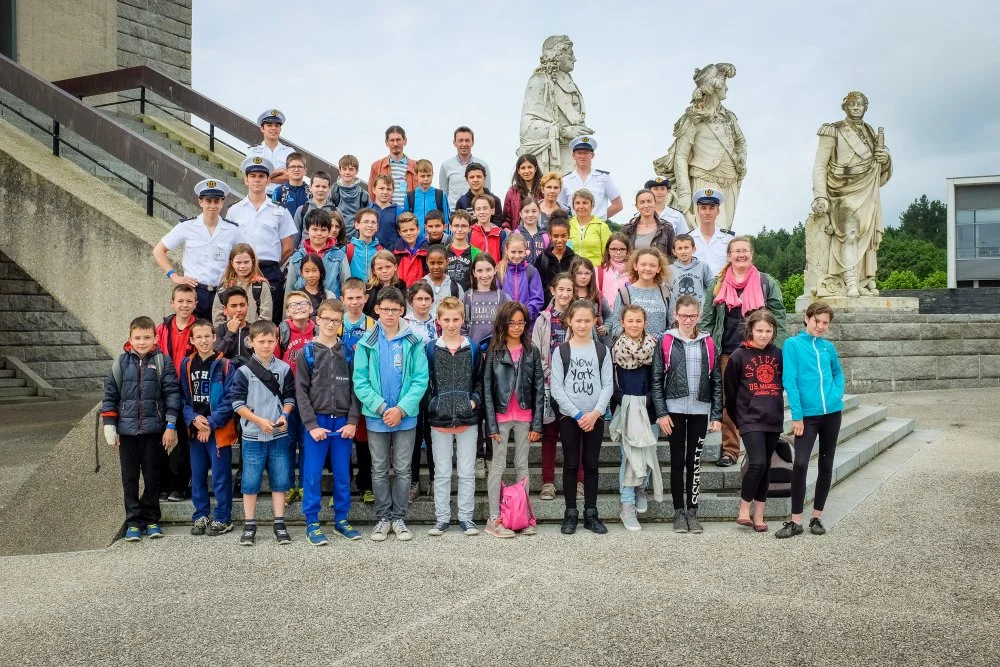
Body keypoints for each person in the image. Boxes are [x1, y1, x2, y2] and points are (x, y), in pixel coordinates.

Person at [699, 235, 787, 468]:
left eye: (745, 250)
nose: (741, 254)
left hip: (760, 353)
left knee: (761, 397)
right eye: (736, 251)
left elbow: (779, 315)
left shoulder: (766, 282)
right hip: (728, 351)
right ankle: (730, 450)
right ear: (728, 256)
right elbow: (707, 320)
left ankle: (759, 450)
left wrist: (777, 346)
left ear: (752, 254)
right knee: (730, 401)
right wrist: (707, 350)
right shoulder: (716, 284)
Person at [352, 286, 429, 542]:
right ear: (376, 310)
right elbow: (360, 382)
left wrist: (401, 409)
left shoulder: (413, 341)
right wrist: (384, 408)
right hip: (377, 417)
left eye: (394, 310)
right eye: (385, 309)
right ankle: (383, 517)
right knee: (379, 469)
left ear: (401, 311)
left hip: (406, 417)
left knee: (404, 469)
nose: (389, 314)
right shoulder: (366, 342)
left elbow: (420, 380)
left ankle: (400, 518)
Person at [101, 316, 180, 542]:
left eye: (147, 337)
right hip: (126, 433)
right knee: (129, 478)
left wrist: (171, 425)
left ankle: (152, 518)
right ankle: (133, 521)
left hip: (154, 431)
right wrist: (110, 426)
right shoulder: (120, 363)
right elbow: (110, 396)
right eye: (138, 338)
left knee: (153, 477)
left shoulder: (163, 362)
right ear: (130, 338)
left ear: (155, 338)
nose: (142, 342)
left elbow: (172, 396)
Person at [810, 91, 892, 297]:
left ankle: (863, 281)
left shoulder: (871, 132)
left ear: (865, 107)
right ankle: (850, 282)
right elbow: (820, 165)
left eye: (860, 104)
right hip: (841, 190)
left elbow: (880, 164)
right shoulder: (833, 130)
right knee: (850, 234)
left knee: (866, 236)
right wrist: (820, 195)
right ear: (845, 107)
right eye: (852, 104)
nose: (856, 107)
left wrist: (886, 158)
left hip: (867, 190)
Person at [652, 296, 723, 534]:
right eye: (684, 315)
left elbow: (716, 381)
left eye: (692, 316)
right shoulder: (666, 341)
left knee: (694, 462)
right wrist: (661, 413)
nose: (688, 320)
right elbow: (656, 379)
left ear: (699, 315)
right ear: (676, 315)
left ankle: (693, 511)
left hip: (700, 410)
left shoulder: (708, 342)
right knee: (676, 460)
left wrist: (716, 414)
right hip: (673, 410)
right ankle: (678, 512)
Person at [776, 301, 844, 539]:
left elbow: (838, 371)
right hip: (807, 416)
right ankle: (795, 520)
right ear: (807, 318)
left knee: (826, 464)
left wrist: (837, 392)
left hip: (832, 414)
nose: (821, 326)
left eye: (825, 323)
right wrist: (797, 416)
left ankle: (817, 516)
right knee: (801, 463)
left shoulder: (828, 348)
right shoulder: (792, 345)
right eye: (817, 321)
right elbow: (790, 381)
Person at [296, 298, 362, 545]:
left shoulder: (347, 352)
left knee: (343, 474)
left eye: (336, 320)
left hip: (342, 423)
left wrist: (353, 421)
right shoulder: (308, 352)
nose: (331, 324)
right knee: (312, 474)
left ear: (341, 322)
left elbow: (357, 388)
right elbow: (301, 392)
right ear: (317, 320)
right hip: (317, 422)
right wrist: (311, 425)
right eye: (326, 319)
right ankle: (312, 522)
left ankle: (341, 520)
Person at [653, 63, 746, 231]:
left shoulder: (729, 117)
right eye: (724, 82)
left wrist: (741, 159)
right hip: (705, 177)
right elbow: (681, 156)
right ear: (715, 86)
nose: (727, 88)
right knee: (712, 229)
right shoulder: (693, 118)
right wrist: (685, 194)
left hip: (731, 179)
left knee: (725, 233)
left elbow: (741, 141)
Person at [550, 299, 613, 535]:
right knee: (570, 463)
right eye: (579, 320)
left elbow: (608, 385)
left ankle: (591, 513)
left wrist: (595, 413)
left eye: (588, 320)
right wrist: (577, 414)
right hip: (570, 417)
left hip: (594, 416)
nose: (583, 325)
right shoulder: (561, 351)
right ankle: (570, 513)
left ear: (595, 321)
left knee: (591, 464)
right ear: (569, 321)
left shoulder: (601, 350)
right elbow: (557, 388)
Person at [231, 319, 296, 546]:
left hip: (278, 435)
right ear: (251, 342)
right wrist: (258, 420)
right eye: (262, 341)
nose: (267, 345)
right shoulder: (244, 372)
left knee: (280, 480)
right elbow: (237, 404)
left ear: (277, 341)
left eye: (271, 341)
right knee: (250, 481)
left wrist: (284, 415)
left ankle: (280, 522)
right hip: (252, 436)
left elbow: (289, 397)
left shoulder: (284, 369)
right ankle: (250, 524)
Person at [483, 301, 544, 538]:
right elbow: (487, 388)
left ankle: (522, 516)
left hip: (525, 417)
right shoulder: (494, 350)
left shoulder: (532, 351)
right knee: (497, 466)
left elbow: (539, 389)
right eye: (512, 323)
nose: (517, 327)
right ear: (503, 324)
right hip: (499, 417)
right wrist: (490, 424)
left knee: (522, 465)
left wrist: (537, 423)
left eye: (521, 323)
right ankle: (494, 518)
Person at [425, 297, 482, 537]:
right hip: (440, 421)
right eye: (446, 320)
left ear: (463, 320)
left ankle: (466, 518)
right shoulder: (430, 348)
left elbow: (480, 378)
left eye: (455, 319)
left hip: (467, 419)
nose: (451, 324)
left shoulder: (473, 348)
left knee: (467, 471)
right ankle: (442, 518)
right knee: (442, 472)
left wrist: (474, 400)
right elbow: (425, 381)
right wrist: (433, 404)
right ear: (438, 321)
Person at [725, 309, 783, 532]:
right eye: (759, 330)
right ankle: (743, 508)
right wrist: (739, 419)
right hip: (749, 419)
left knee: (766, 466)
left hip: (773, 418)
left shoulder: (778, 355)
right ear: (750, 330)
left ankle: (759, 515)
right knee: (757, 462)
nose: (764, 335)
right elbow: (730, 392)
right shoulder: (739, 356)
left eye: (768, 331)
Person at [179, 319, 238, 537]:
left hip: (218, 431)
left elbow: (231, 399)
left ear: (215, 337)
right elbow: (182, 398)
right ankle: (201, 514)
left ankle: (223, 517)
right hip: (195, 431)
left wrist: (211, 423)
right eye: (199, 337)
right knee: (198, 474)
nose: (203, 341)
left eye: (207, 336)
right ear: (192, 340)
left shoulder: (225, 365)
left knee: (221, 475)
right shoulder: (186, 364)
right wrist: (193, 419)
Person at [154, 179, 239, 319]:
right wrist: (174, 276)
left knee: (220, 337)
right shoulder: (187, 226)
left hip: (223, 293)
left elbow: (244, 255)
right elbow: (158, 250)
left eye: (217, 201)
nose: (212, 205)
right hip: (194, 292)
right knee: (193, 337)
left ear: (222, 202)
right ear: (201, 202)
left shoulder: (232, 229)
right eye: (208, 201)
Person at [609, 304, 661, 532]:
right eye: (629, 321)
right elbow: (611, 382)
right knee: (628, 457)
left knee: (648, 452)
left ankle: (642, 486)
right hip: (627, 407)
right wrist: (624, 400)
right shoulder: (615, 350)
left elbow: (658, 378)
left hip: (649, 408)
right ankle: (627, 504)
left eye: (638, 321)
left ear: (645, 323)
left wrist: (649, 400)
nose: (634, 325)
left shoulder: (654, 348)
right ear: (622, 323)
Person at [531, 273, 582, 501]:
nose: (564, 294)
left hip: (575, 385)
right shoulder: (543, 319)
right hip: (549, 385)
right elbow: (536, 352)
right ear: (553, 290)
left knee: (575, 436)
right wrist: (551, 375)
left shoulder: (579, 317)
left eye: (569, 290)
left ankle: (579, 482)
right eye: (560, 289)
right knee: (550, 435)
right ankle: (548, 482)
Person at [229, 156, 297, 322]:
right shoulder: (234, 211)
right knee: (240, 319)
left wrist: (269, 267)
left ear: (268, 181)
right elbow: (230, 244)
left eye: (261, 176)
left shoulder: (280, 210)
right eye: (253, 176)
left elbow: (288, 247)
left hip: (270, 271)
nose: (257, 180)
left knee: (269, 322)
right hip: (242, 271)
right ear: (246, 180)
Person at [155, 284, 196, 502]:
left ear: (195, 304)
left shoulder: (198, 328)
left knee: (186, 441)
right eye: (180, 301)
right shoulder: (162, 329)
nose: (184, 305)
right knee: (160, 440)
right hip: (164, 392)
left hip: (189, 393)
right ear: (173, 302)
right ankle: (165, 483)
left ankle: (181, 485)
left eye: (189, 301)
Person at [340, 277, 376, 505]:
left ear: (365, 298)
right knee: (343, 440)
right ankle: (342, 487)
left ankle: (366, 485)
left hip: (364, 388)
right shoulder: (336, 323)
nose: (354, 302)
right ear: (342, 299)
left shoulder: (373, 324)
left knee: (363, 439)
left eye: (358, 298)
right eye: (349, 298)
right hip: (340, 388)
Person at [403, 282, 436, 503]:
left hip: (434, 383)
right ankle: (413, 481)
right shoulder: (403, 323)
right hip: (411, 384)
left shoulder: (438, 323)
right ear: (411, 301)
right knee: (413, 437)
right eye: (419, 299)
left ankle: (435, 480)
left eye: (427, 299)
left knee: (433, 435)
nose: (423, 303)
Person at [609, 248, 672, 342]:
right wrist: (634, 338)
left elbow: (673, 324)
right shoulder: (624, 293)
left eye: (652, 265)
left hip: (659, 351)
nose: (647, 268)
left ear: (658, 268)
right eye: (643, 265)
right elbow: (616, 326)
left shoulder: (666, 293)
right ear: (635, 266)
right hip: (631, 351)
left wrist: (659, 338)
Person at [286, 209, 349, 299]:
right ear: (308, 230)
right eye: (315, 229)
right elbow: (290, 289)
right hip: (302, 308)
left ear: (329, 231)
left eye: (323, 230)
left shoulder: (339, 255)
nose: (319, 233)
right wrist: (287, 312)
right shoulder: (297, 257)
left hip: (331, 308)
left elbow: (346, 286)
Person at [558, 136, 623, 221]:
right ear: (573, 156)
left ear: (592, 155)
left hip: (597, 229)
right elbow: (560, 207)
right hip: (573, 228)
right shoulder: (565, 180)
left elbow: (618, 205)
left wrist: (600, 219)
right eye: (579, 153)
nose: (582, 156)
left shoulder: (603, 178)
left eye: (586, 153)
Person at [212, 244, 272, 325]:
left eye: (246, 262)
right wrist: (229, 332)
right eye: (238, 262)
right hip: (230, 335)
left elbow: (266, 316)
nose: (242, 266)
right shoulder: (224, 287)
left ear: (253, 262)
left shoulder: (261, 285)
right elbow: (217, 319)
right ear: (232, 263)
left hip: (255, 335)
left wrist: (253, 334)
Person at [439, 126, 492, 210]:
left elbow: (487, 192)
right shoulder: (446, 165)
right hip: (454, 214)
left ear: (473, 142)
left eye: (467, 140)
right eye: (460, 140)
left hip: (477, 213)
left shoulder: (483, 165)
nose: (464, 144)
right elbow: (443, 195)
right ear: (454, 143)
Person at [463, 253, 511, 346]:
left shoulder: (504, 298)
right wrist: (470, 348)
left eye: (488, 270)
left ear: (495, 269)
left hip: (496, 352)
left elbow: (508, 327)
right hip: (474, 352)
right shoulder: (467, 298)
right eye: (480, 271)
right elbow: (463, 328)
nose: (484, 275)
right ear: (474, 273)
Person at [496, 234, 544, 326]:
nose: (517, 256)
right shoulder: (499, 271)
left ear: (525, 251)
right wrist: (506, 317)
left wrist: (524, 316)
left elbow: (537, 298)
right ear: (506, 250)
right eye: (513, 252)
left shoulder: (531, 271)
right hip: (505, 323)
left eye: (520, 252)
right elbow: (496, 298)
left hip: (526, 324)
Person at [247, 108, 294, 196]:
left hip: (284, 199)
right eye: (269, 125)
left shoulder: (289, 152)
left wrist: (264, 177)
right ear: (262, 128)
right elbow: (250, 177)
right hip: (261, 197)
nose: (273, 128)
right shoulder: (253, 151)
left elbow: (290, 176)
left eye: (277, 125)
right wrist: (279, 171)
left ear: (280, 129)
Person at [368, 125, 415, 207]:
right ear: (387, 143)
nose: (395, 144)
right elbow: (372, 194)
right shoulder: (376, 166)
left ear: (405, 141)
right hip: (385, 214)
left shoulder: (416, 166)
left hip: (408, 216)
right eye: (392, 140)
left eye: (398, 140)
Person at [688, 188, 732, 275]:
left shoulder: (729, 239)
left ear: (718, 211)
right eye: (703, 208)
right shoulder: (689, 239)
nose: (707, 212)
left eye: (712, 208)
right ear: (698, 211)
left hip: (722, 287)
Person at [569, 256, 611, 346]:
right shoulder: (567, 295)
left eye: (587, 273)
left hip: (594, 342)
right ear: (572, 274)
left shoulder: (598, 297)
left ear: (592, 274)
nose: (583, 277)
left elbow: (609, 316)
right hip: (569, 340)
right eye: (579, 273)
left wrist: (605, 328)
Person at [535, 212, 575, 306]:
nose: (560, 240)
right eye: (556, 236)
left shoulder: (575, 260)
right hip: (548, 310)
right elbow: (537, 288)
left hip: (570, 309)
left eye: (563, 236)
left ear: (568, 235)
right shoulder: (542, 259)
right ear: (550, 236)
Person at [623, 189, 676, 258]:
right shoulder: (628, 229)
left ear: (655, 203)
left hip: (660, 268)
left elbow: (673, 255)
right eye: (642, 202)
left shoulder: (666, 228)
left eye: (649, 201)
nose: (646, 205)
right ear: (637, 206)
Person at [292, 170, 337, 248]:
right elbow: (296, 237)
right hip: (305, 254)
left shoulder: (336, 211)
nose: (320, 190)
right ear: (310, 187)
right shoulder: (302, 209)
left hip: (327, 254)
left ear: (329, 189)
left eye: (324, 187)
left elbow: (340, 236)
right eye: (317, 186)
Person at [669, 234, 714, 311]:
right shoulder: (669, 270)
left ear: (693, 249)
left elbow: (711, 288)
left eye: (686, 248)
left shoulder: (703, 266)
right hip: (678, 315)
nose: (683, 251)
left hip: (699, 314)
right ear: (674, 251)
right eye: (679, 248)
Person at [567, 188, 612, 265]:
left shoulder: (602, 227)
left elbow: (609, 254)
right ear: (573, 206)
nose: (581, 206)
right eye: (577, 203)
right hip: (571, 271)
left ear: (592, 205)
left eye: (585, 203)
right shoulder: (567, 225)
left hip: (595, 272)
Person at [405, 159, 450, 233]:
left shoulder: (440, 195)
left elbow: (447, 220)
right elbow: (406, 221)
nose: (426, 179)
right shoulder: (409, 197)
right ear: (416, 176)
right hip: (416, 240)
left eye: (429, 175)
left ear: (433, 175)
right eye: (422, 176)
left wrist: (447, 240)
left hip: (437, 239)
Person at [455, 163, 504, 228]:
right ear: (467, 179)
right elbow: (459, 225)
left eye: (479, 176)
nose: (475, 180)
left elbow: (498, 224)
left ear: (485, 178)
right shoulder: (461, 202)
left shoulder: (495, 200)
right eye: (472, 177)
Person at [331, 155, 370, 234]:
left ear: (357, 171)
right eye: (344, 169)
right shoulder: (333, 191)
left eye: (351, 169)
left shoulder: (364, 195)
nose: (347, 172)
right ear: (340, 170)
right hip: (336, 235)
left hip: (356, 238)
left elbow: (367, 217)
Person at [421, 244, 464, 315]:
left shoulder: (455, 288)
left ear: (447, 262)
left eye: (440, 263)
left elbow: (461, 314)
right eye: (432, 263)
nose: (436, 267)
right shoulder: (419, 286)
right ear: (427, 262)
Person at [363, 250, 407, 319]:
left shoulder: (401, 287)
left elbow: (403, 311)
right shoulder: (368, 289)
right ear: (374, 270)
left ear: (395, 267)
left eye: (388, 267)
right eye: (380, 268)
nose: (384, 271)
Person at [502, 154, 542, 229]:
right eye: (523, 168)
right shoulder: (511, 193)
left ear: (535, 169)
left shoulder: (543, 190)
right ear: (518, 171)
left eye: (530, 167)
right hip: (519, 235)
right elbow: (506, 218)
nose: (526, 171)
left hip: (541, 235)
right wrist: (507, 229)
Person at [213, 287, 252, 362]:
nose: (239, 310)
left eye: (242, 305)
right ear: (225, 309)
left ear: (248, 306)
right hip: (226, 372)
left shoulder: (255, 330)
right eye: (233, 306)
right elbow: (216, 357)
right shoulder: (219, 330)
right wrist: (230, 332)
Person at [445, 210, 480, 291]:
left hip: (467, 298)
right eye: (456, 226)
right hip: (447, 299)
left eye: (464, 226)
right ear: (450, 227)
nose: (460, 229)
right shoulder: (443, 251)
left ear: (470, 228)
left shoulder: (477, 253)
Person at [346, 208, 383, 281]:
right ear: (357, 225)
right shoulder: (347, 249)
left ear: (377, 227)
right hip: (354, 290)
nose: (370, 225)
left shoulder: (381, 251)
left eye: (373, 222)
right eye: (366, 222)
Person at [393, 213, 429, 287]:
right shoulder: (395, 251)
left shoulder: (426, 250)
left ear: (418, 229)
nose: (409, 233)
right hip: (400, 291)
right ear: (399, 232)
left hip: (420, 291)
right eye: (405, 231)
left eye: (412, 229)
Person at [469, 193, 507, 262]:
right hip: (476, 271)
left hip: (495, 272)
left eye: (485, 208)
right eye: (478, 209)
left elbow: (504, 258)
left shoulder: (501, 234)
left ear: (492, 211)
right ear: (474, 213)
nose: (482, 212)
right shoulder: (469, 233)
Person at [598, 233, 631, 309]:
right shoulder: (599, 271)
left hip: (627, 315)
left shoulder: (634, 272)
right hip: (605, 314)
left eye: (622, 249)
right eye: (614, 249)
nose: (618, 252)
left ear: (628, 250)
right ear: (608, 250)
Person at [270, 152, 309, 218]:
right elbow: (273, 216)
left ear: (305, 170)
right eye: (293, 166)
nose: (296, 169)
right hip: (284, 228)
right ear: (287, 170)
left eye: (299, 166)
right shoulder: (279, 191)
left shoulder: (310, 191)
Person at [371, 174, 403, 250]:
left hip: (391, 255)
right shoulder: (367, 211)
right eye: (381, 188)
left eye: (389, 189)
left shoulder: (399, 212)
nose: (385, 192)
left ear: (393, 191)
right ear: (374, 190)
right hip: (371, 254)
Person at [514, 196, 549, 264]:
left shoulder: (546, 236)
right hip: (520, 274)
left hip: (541, 274)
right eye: (526, 211)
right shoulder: (514, 235)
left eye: (534, 211)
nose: (530, 214)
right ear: (521, 214)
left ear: (539, 213)